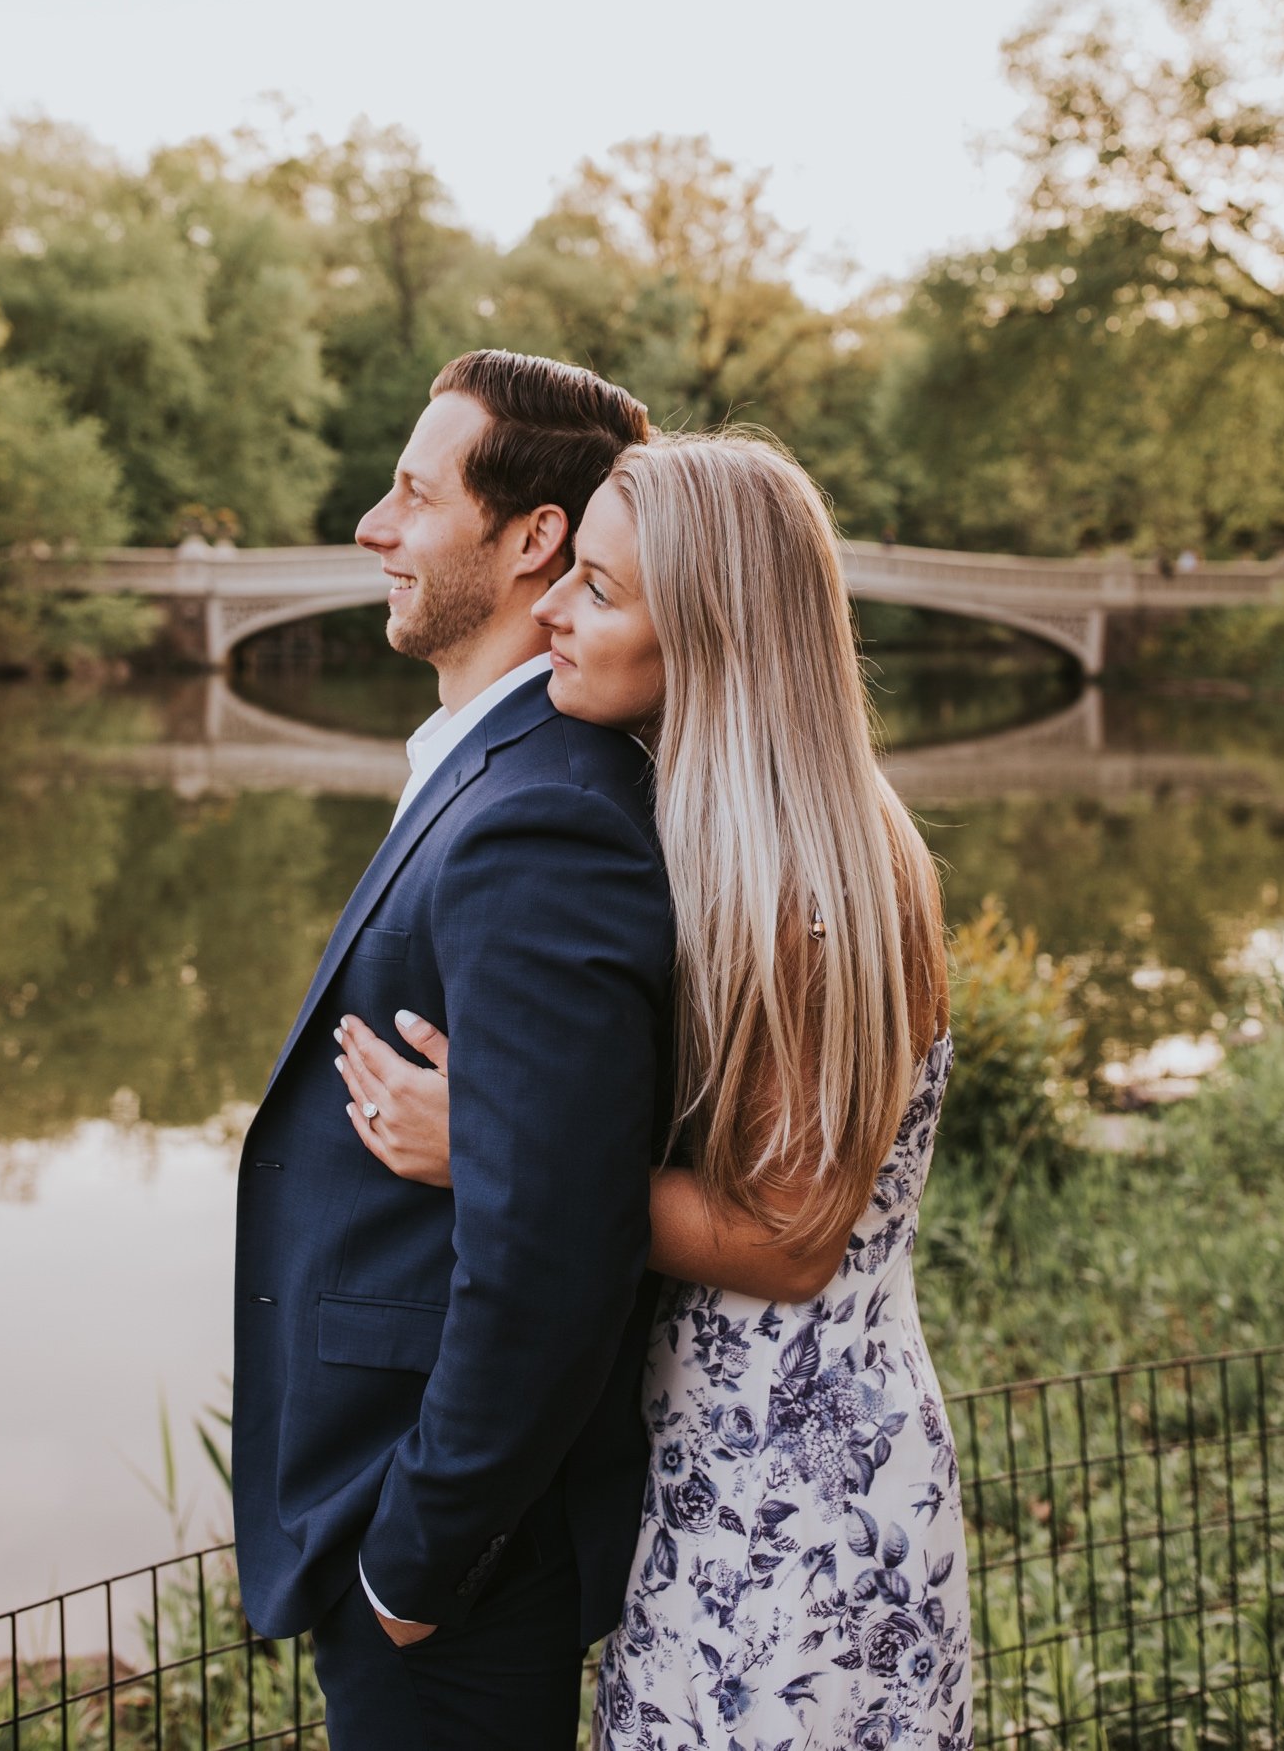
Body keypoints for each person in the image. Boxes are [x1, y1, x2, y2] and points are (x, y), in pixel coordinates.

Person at [339, 431, 973, 1750]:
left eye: (604, 591)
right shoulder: (715, 833)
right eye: (571, 573)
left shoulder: (819, 886)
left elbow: (792, 1242)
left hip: (796, 1488)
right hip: (706, 1459)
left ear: (723, 638)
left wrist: (495, 1158)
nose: (554, 606)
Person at [232, 351, 677, 1751]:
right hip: (389, 1511)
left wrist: (414, 1563)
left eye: (414, 496)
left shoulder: (543, 812)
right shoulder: (488, 769)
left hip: (442, 1553)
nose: (373, 524)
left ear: (528, 535)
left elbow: (554, 1250)